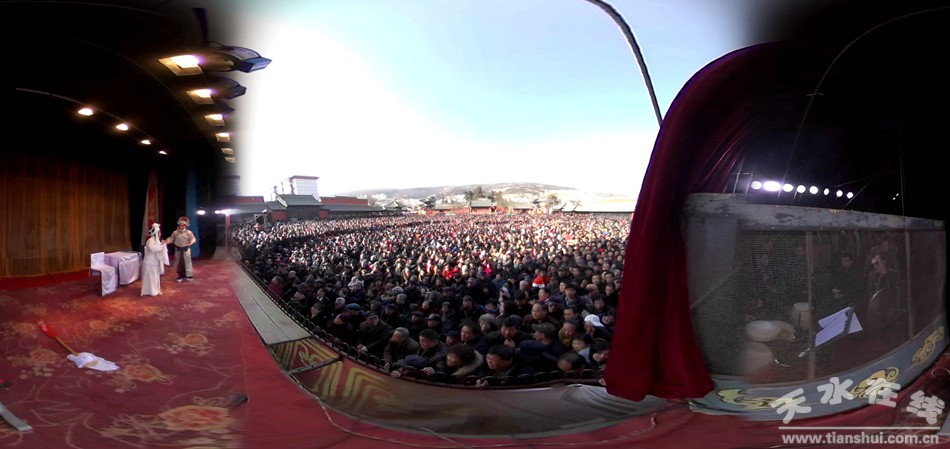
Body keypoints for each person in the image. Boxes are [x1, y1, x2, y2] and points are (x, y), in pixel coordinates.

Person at [141, 223, 169, 296]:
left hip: (155, 262)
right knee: (150, 277)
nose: (160, 234)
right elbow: (152, 249)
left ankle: (155, 290)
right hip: (149, 262)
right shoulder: (150, 240)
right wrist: (162, 246)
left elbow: (159, 248)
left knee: (155, 277)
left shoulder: (156, 241)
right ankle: (150, 291)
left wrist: (162, 244)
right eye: (159, 232)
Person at [165, 216, 196, 282]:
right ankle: (180, 275)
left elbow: (193, 238)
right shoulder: (175, 232)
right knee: (178, 262)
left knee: (187, 262)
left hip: (186, 249)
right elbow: (171, 239)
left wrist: (191, 242)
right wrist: (166, 241)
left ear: (185, 225)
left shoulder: (189, 232)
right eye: (180, 225)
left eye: (183, 225)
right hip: (178, 249)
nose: (181, 226)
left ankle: (189, 275)